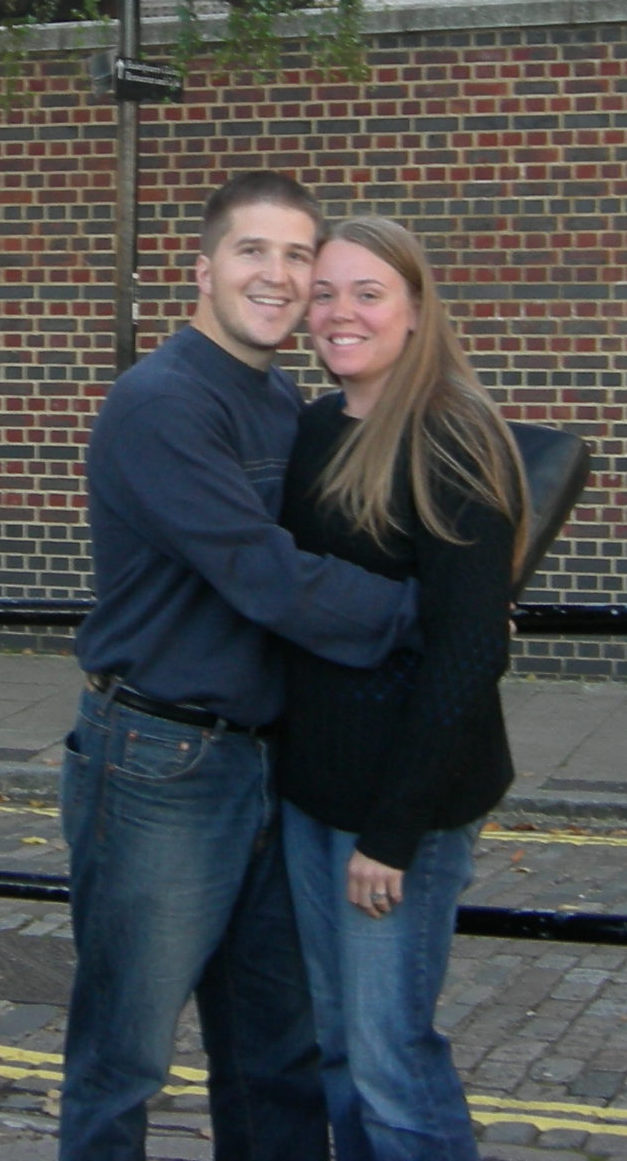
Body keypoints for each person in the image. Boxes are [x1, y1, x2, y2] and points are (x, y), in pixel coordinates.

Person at [61, 172, 422, 1161]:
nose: (279, 275)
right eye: (253, 252)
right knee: (124, 1056)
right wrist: (417, 615)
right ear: (204, 268)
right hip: (161, 762)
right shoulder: (161, 403)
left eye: (299, 256)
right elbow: (262, 574)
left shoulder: (279, 397)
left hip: (270, 764)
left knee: (277, 1054)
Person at [275, 215, 532, 1161]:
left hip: (398, 811)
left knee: (391, 1057)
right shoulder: (310, 428)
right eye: (326, 292)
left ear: (416, 311)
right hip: (312, 794)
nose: (341, 312)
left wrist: (393, 832)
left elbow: (468, 655)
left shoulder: (451, 439)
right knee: (338, 1046)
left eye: (368, 292)